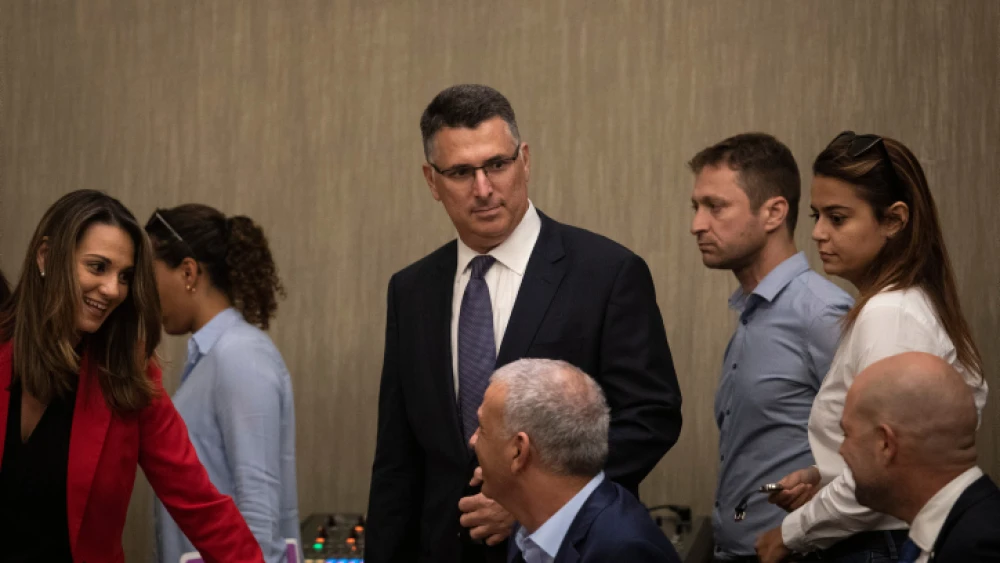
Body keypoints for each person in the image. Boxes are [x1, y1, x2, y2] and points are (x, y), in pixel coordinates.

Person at [366, 84, 683, 563]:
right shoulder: (411, 290)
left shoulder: (606, 273)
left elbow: (651, 417)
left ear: (525, 161)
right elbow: (397, 457)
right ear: (432, 182)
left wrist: (535, 504)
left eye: (497, 164)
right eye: (460, 172)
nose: (483, 188)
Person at [755, 132, 989, 562]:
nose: (819, 233)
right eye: (816, 215)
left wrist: (790, 533)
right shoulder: (895, 306)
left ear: (894, 220)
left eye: (838, 218)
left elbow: (891, 463)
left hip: (874, 545)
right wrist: (822, 474)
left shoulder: (891, 314)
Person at [0, 190, 263, 563]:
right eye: (97, 267)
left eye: (125, 276)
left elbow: (201, 504)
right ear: (46, 256)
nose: (112, 290)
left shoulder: (126, 373)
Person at [688, 133, 853, 562]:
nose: (697, 224)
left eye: (716, 206)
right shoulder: (753, 311)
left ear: (774, 212)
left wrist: (799, 530)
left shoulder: (821, 313)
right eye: (696, 207)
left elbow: (883, 455)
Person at [145, 204, 300, 563]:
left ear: (188, 272)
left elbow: (257, 515)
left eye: (148, 276)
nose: (144, 293)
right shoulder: (209, 358)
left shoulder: (239, 355)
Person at [467, 358, 680, 563]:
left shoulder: (624, 551)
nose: (473, 441)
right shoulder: (529, 531)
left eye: (483, 430)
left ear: (518, 451)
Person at [840, 352, 1000, 563]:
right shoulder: (952, 533)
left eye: (847, 434)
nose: (842, 450)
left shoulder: (979, 550)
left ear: (885, 444)